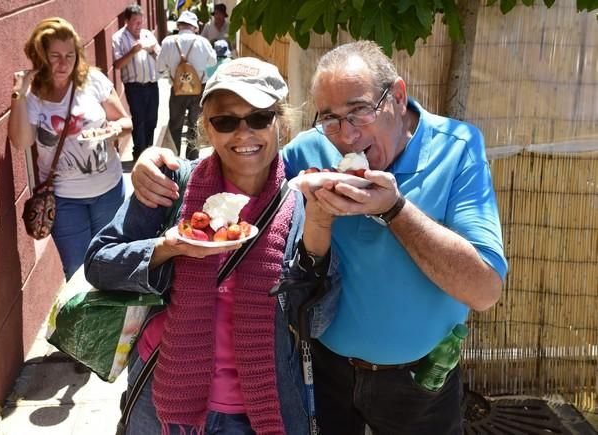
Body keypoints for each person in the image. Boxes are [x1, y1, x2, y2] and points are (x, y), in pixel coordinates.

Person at [129, 40, 509, 434]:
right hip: (324, 376)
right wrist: (155, 165)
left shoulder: (457, 148)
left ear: (397, 96)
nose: (345, 135)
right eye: (329, 117)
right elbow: (242, 157)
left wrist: (394, 209)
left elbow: (484, 291)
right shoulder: (312, 150)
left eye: (359, 111)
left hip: (418, 384)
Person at [85, 57, 313, 435]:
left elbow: (318, 317)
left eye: (259, 117)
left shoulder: (301, 204)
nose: (244, 134)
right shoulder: (172, 185)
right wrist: (167, 248)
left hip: (260, 407)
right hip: (162, 399)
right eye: (225, 121)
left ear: (281, 122)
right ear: (207, 126)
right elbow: (98, 262)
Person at [8, 17, 132, 281]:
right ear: (40, 55)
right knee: (77, 271)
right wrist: (18, 95)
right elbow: (21, 142)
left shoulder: (93, 81)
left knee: (111, 262)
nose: (64, 63)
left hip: (109, 191)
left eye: (70, 55)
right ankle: (85, 324)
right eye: (55, 55)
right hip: (64, 201)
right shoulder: (34, 98)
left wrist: (111, 130)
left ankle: (111, 322)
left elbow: (125, 122)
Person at [158, 11, 216, 160]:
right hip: (198, 89)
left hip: (177, 89)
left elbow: (159, 67)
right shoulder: (202, 42)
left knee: (175, 124)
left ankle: (173, 157)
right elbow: (212, 62)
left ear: (179, 25)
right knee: (195, 124)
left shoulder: (168, 42)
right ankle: (192, 158)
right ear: (195, 27)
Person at [112, 4, 161, 161]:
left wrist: (152, 51)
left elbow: (161, 58)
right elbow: (117, 65)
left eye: (141, 21)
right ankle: (139, 153)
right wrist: (132, 52)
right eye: (135, 21)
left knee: (152, 119)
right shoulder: (118, 38)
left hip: (152, 84)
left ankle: (149, 150)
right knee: (139, 120)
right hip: (134, 87)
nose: (139, 25)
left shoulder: (147, 35)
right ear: (126, 21)